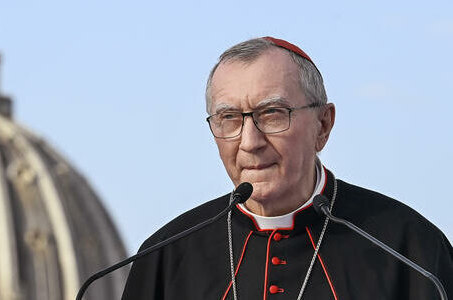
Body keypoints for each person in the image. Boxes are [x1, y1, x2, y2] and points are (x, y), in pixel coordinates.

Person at [121, 37, 453, 299]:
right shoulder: (164, 257)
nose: (250, 141)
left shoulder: (409, 248)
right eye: (229, 118)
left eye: (272, 114)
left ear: (323, 125)